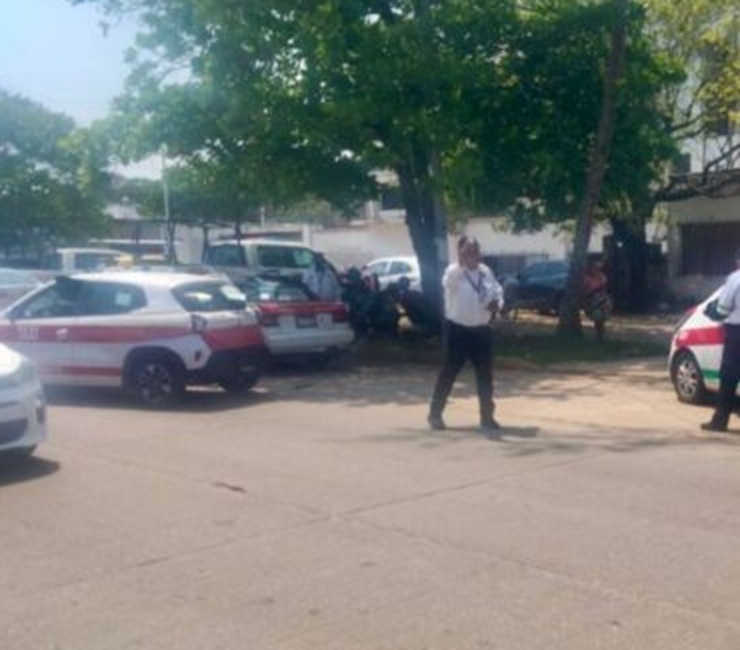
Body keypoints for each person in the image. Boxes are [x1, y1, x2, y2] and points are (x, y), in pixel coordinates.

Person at [428, 235, 504, 434]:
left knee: (485, 376)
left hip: (481, 330)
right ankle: (435, 414)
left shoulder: (486, 271)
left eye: (475, 250)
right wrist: (461, 264)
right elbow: (448, 284)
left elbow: (497, 290)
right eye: (467, 251)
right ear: (460, 252)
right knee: (449, 373)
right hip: (458, 330)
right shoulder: (453, 272)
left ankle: (487, 417)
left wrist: (498, 303)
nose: (472, 255)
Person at [701, 249, 740, 433]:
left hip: (736, 333)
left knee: (728, 377)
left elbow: (722, 309)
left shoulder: (735, 278)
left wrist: (711, 311)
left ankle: (720, 420)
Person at [583, 258, 611, 342]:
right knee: (596, 318)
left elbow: (604, 288)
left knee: (601, 319)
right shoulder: (587, 277)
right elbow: (585, 289)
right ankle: (598, 336)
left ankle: (600, 336)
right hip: (592, 299)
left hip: (602, 299)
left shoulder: (602, 276)